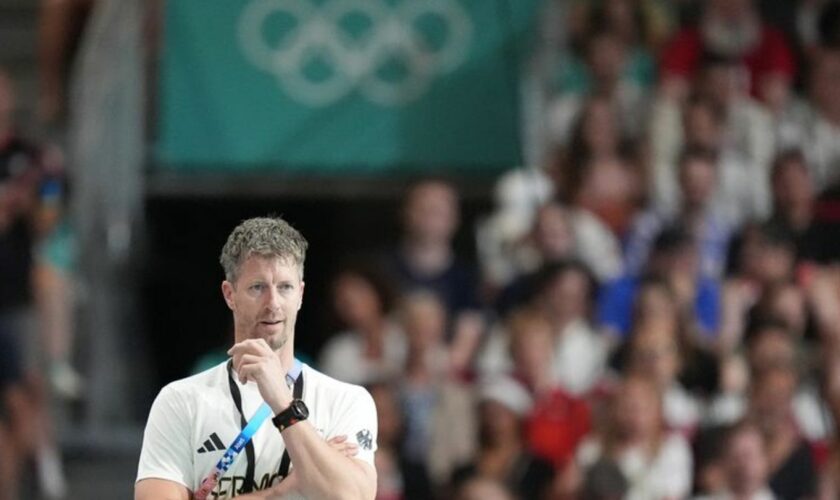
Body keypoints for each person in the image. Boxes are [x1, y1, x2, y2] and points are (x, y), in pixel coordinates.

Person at [136, 217, 378, 499]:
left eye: (285, 287)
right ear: (230, 295)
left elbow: (351, 496)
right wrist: (284, 491)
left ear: (300, 295)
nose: (273, 303)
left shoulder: (346, 400)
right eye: (257, 288)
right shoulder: (181, 400)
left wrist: (282, 401)